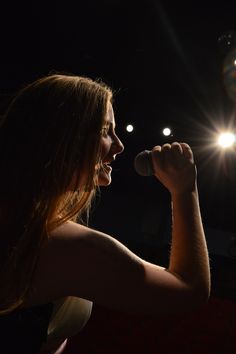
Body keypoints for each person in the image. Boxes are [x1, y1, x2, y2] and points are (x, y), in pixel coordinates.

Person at [0, 73, 210, 354]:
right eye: (105, 130)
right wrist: (184, 190)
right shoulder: (65, 246)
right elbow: (189, 291)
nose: (119, 145)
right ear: (64, 137)